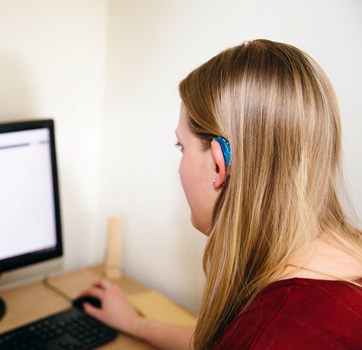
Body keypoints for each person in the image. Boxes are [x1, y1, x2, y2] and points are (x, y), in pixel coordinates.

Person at [80, 39, 362, 349]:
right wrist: (136, 324)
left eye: (181, 147)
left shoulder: (282, 333)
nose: (179, 166)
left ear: (219, 166)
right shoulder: (336, 269)